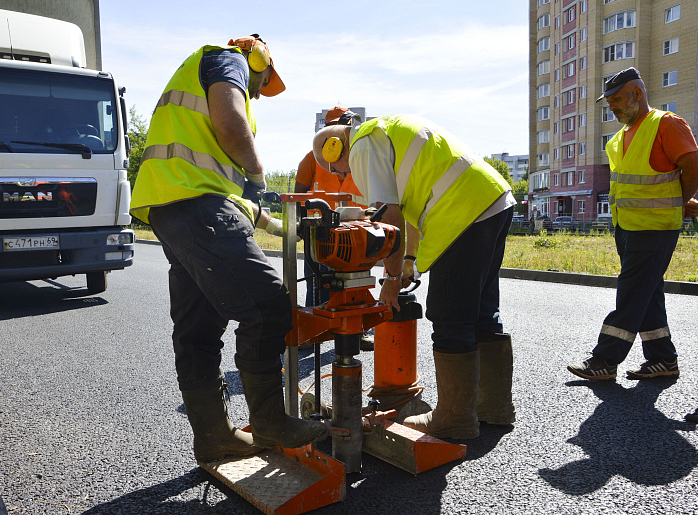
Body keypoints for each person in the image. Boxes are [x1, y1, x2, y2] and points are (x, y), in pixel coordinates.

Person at [129, 35, 326, 463]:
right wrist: (258, 176)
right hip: (196, 206)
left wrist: (275, 222)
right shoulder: (226, 61)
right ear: (257, 59)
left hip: (172, 207)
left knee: (198, 331)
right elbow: (231, 124)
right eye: (261, 83)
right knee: (269, 304)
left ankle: (215, 438)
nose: (257, 92)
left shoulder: (195, 89)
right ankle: (272, 422)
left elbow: (223, 190)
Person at [313, 114, 516, 439]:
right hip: (493, 200)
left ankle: (456, 419)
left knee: (450, 316)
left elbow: (388, 218)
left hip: (462, 210)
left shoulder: (364, 143)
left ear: (335, 147)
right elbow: (409, 211)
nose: (341, 174)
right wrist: (407, 260)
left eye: (335, 169)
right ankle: (494, 408)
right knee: (481, 311)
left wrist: (390, 283)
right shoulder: (387, 132)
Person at [567, 67, 698, 381]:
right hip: (628, 228)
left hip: (656, 228)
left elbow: (694, 168)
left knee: (630, 293)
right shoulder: (618, 139)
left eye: (617, 99)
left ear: (637, 93)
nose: (613, 106)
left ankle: (604, 360)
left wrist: (680, 202)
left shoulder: (665, 124)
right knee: (647, 292)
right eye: (610, 102)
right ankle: (663, 359)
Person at [295, 106, 374, 351]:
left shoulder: (363, 157)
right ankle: (315, 328)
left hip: (357, 230)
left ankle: (360, 330)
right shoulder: (312, 159)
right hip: (321, 232)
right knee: (317, 281)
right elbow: (298, 194)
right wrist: (301, 223)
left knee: (357, 281)